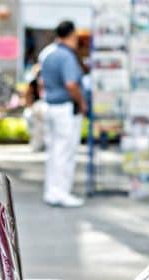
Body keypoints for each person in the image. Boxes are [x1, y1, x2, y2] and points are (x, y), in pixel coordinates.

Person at [40, 20, 87, 208]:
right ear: (72, 35)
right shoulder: (67, 56)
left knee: (54, 152)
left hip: (50, 105)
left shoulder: (47, 53)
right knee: (64, 152)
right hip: (65, 108)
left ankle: (52, 191)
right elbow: (71, 84)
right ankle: (61, 192)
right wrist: (81, 102)